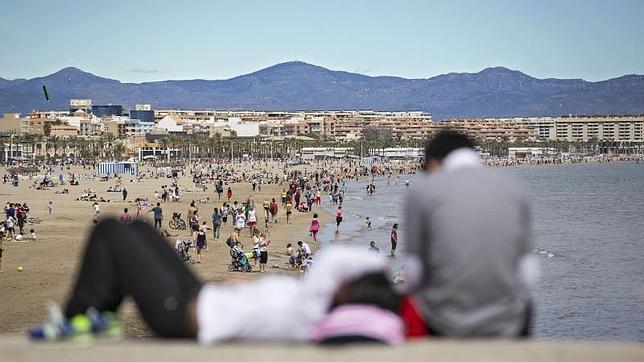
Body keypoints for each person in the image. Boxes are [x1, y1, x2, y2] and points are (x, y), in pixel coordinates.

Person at [28, 219, 390, 344]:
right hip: (201, 296)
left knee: (110, 231)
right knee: (137, 228)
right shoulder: (312, 305)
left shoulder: (314, 311)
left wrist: (384, 277)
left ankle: (79, 318)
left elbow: (339, 258)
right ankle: (98, 317)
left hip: (182, 315)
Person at [403, 130, 537, 338]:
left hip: (443, 324)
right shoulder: (514, 187)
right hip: (508, 325)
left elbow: (413, 273)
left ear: (436, 162)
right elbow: (529, 272)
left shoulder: (423, 191)